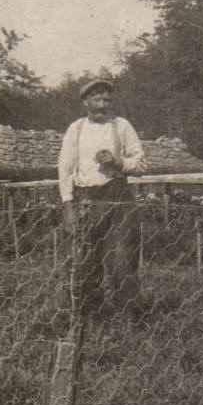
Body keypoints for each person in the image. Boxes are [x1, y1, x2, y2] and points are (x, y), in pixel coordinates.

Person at [57, 78, 146, 319]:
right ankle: (91, 317)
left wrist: (117, 161)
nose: (103, 104)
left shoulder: (121, 126)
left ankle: (130, 318)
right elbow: (65, 169)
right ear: (86, 102)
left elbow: (140, 163)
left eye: (107, 99)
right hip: (86, 199)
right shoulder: (76, 129)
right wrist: (68, 204)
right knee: (85, 261)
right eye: (97, 99)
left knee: (121, 260)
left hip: (118, 198)